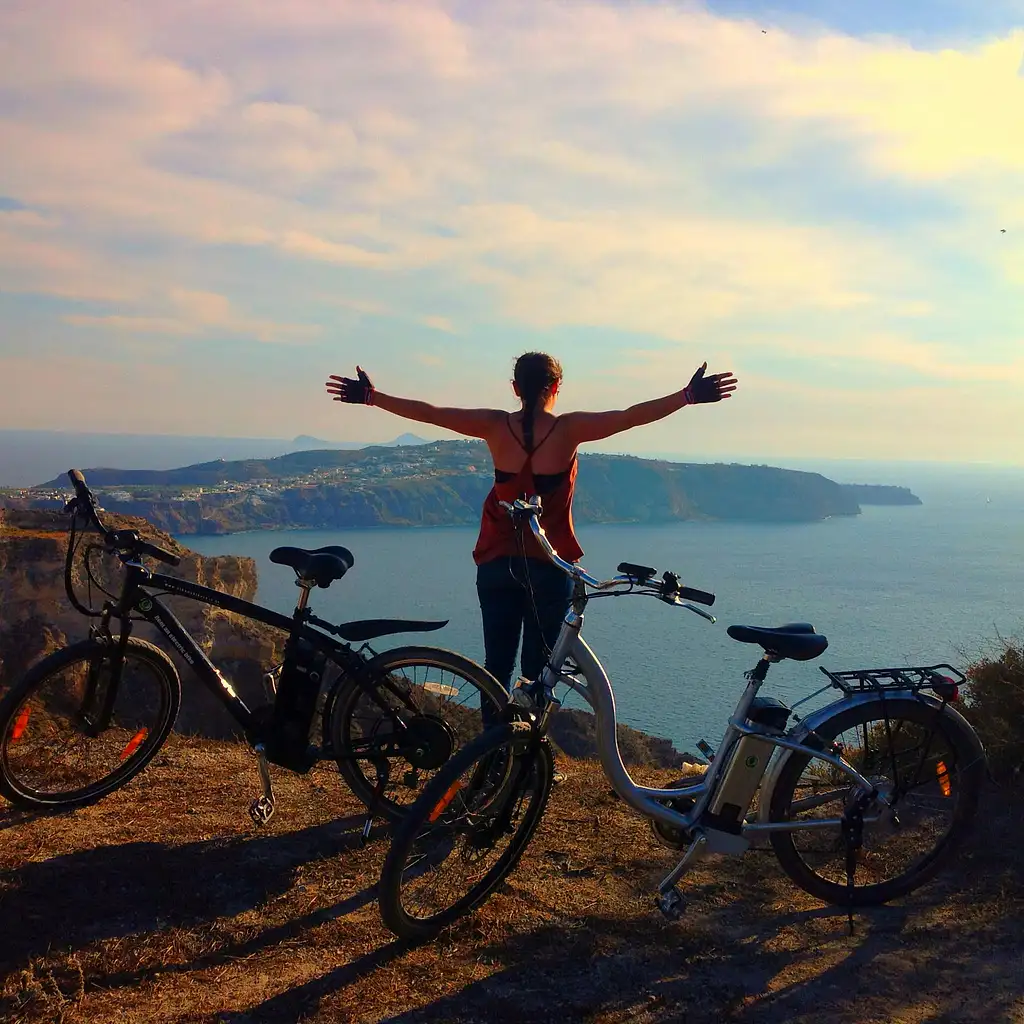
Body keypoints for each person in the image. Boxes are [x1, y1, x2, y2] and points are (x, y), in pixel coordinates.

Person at [326, 354, 737, 696]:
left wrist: (372, 397)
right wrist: (686, 396)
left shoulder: (492, 425)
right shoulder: (568, 429)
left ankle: (493, 761)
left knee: (494, 670)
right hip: (548, 563)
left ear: (515, 387)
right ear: (556, 388)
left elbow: (431, 414)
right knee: (539, 671)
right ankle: (528, 755)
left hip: (495, 562)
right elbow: (631, 417)